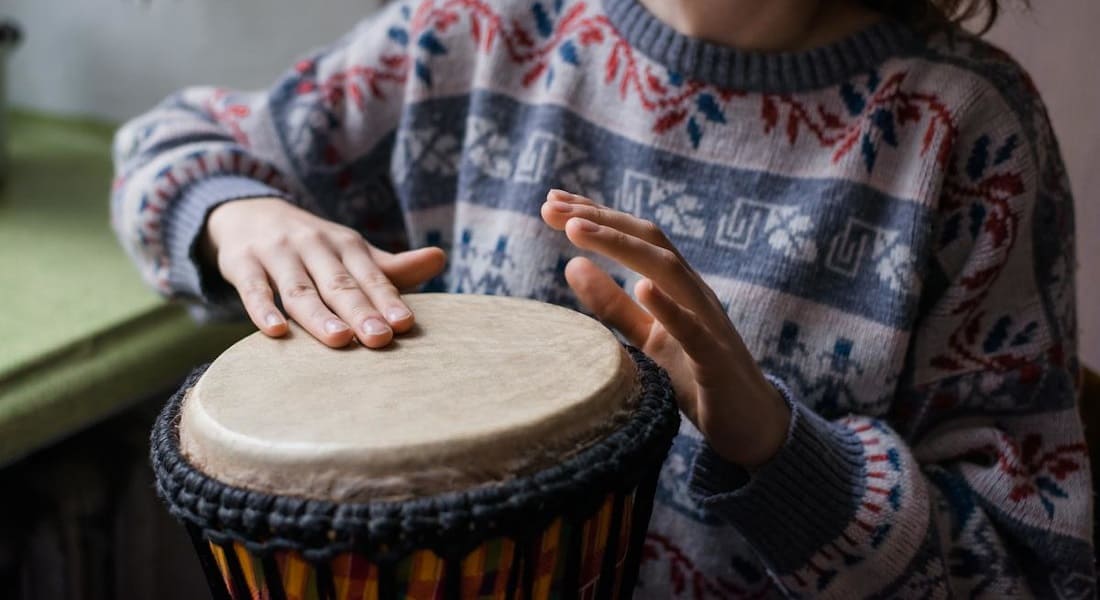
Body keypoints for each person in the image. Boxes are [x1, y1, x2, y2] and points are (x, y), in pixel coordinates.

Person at [111, 0, 1095, 596]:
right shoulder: (468, 35)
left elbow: (1034, 569)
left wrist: (777, 449)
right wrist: (239, 215)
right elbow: (172, 148)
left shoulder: (961, 129)